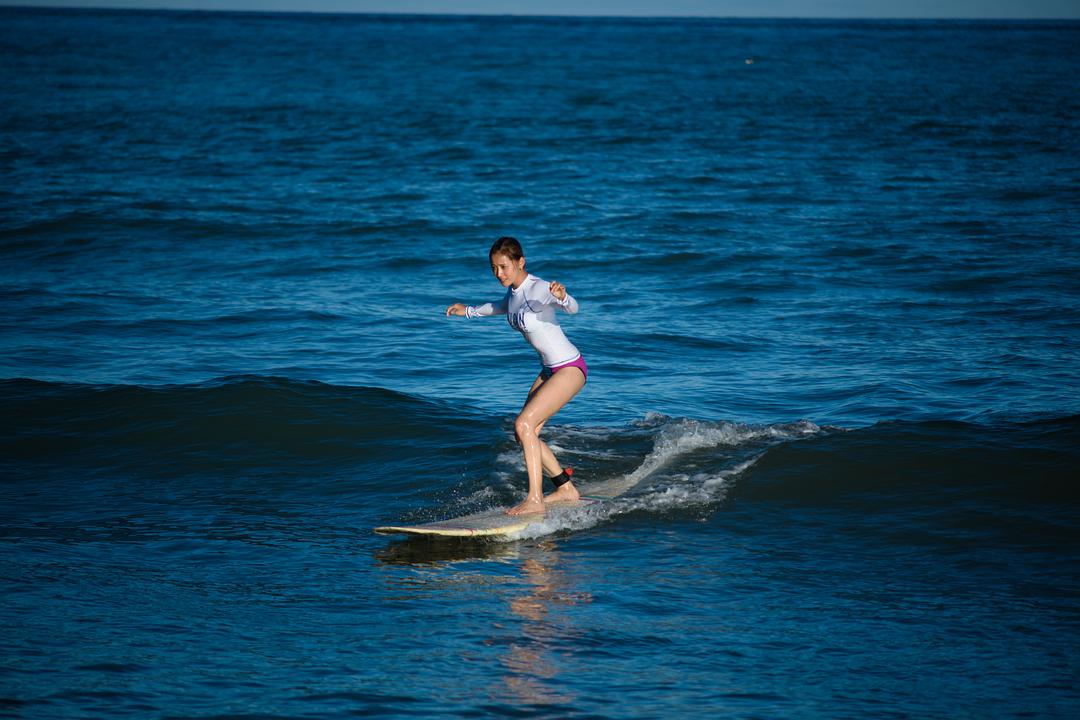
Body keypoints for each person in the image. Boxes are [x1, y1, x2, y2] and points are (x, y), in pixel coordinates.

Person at [446, 237, 588, 516]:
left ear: (520, 262)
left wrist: (563, 297)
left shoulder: (539, 288)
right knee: (524, 432)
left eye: (504, 266)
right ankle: (565, 488)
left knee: (524, 424)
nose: (499, 274)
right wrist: (468, 312)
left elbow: (573, 308)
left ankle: (535, 499)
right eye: (494, 268)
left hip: (570, 368)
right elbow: (499, 307)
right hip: (549, 370)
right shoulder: (513, 292)